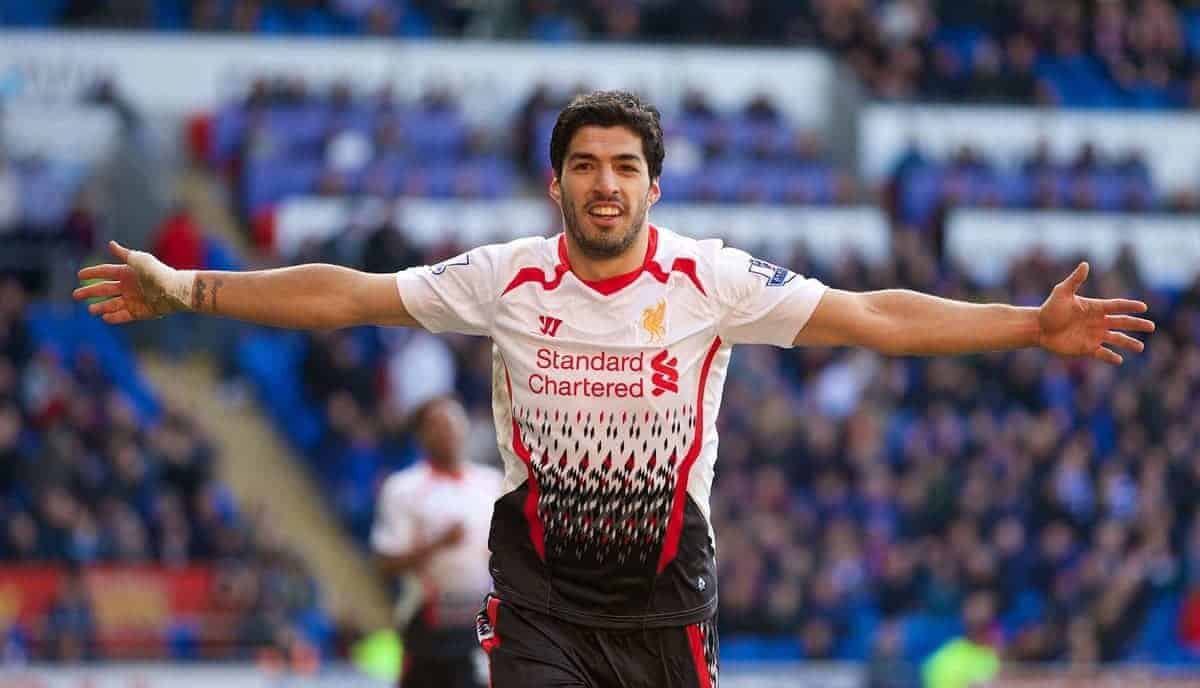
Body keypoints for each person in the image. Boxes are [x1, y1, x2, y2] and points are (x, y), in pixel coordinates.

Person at [74, 90, 1155, 688]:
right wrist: (197, 287)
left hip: (667, 602)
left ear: (653, 183)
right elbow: (350, 295)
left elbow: (872, 314)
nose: (605, 183)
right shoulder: (503, 279)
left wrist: (1026, 323)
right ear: (557, 183)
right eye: (586, 165)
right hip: (539, 594)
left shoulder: (710, 278)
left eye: (625, 166)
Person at [371, 396, 501, 688]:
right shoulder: (404, 489)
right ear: (421, 436)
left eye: (453, 422)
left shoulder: (491, 484)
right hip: (429, 621)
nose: (448, 431)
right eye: (437, 425)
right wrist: (438, 544)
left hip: (480, 621)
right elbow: (385, 564)